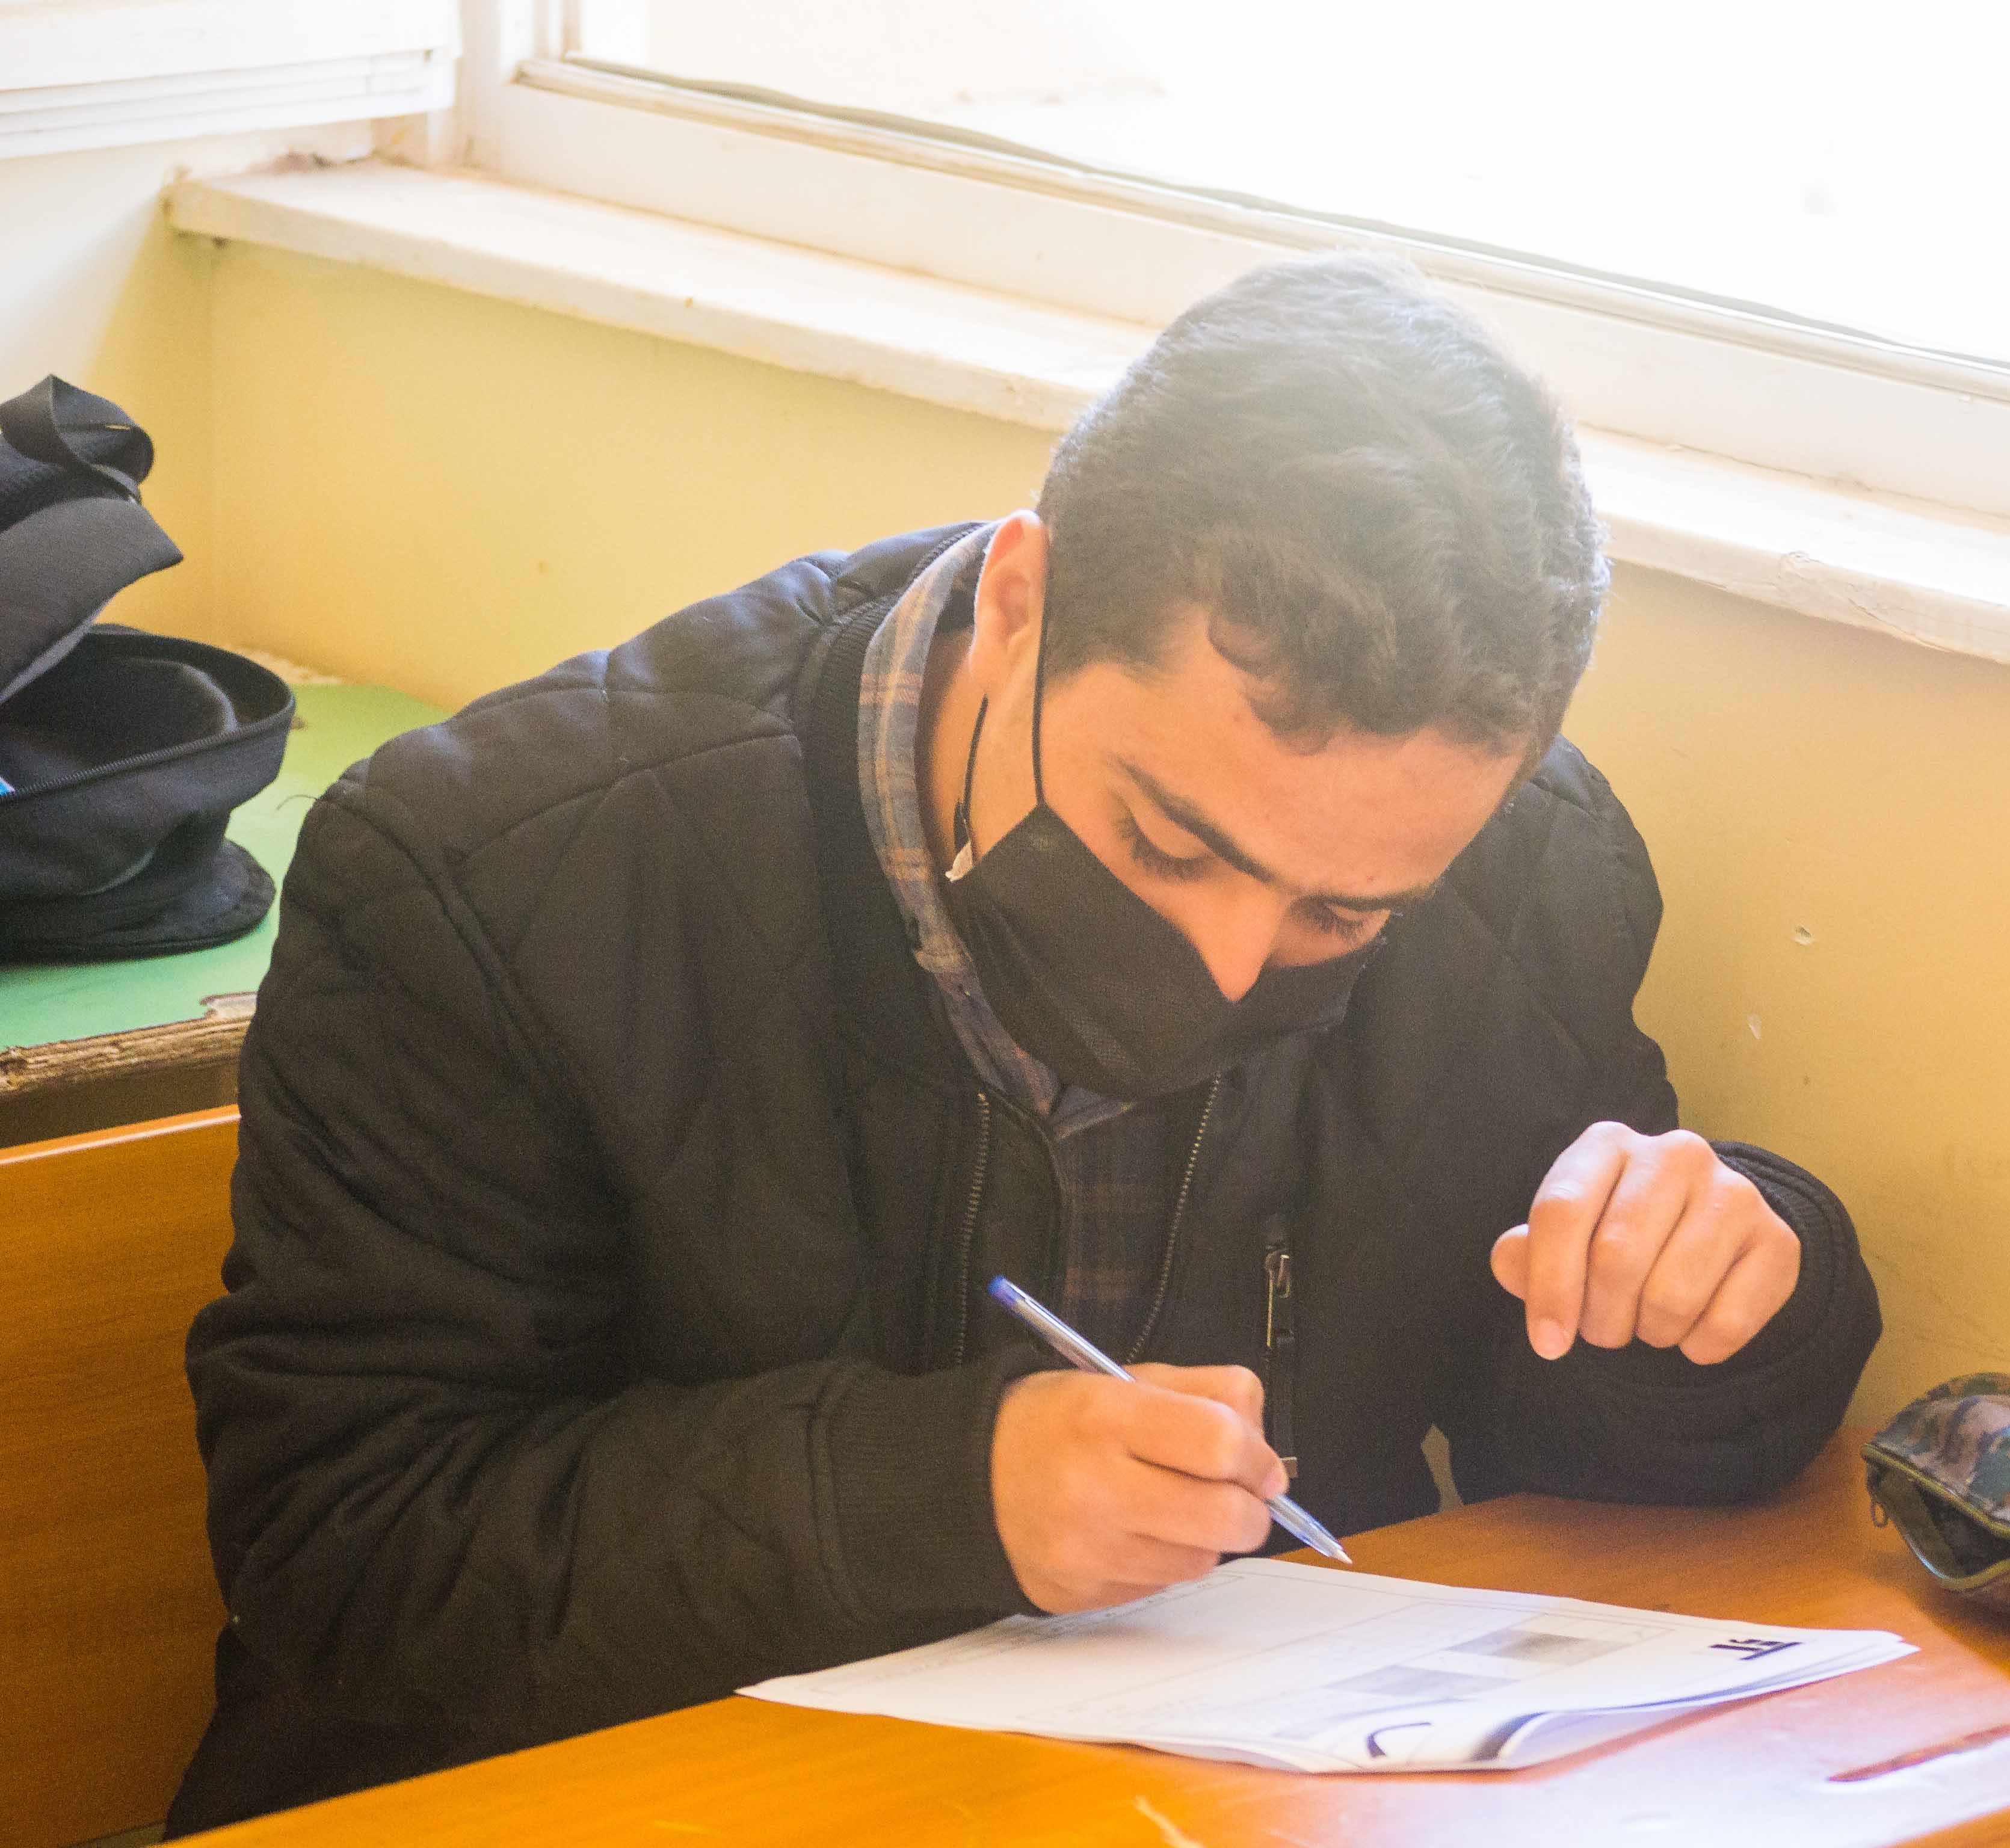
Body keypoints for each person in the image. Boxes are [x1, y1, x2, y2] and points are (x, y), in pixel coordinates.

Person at [165, 255, 1882, 1834]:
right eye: (1168, 840)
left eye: (1339, 914)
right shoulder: (496, 878)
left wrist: (1728, 1288)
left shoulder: (1517, 875)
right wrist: (941, 1498)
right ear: (1019, 600)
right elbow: (349, 1552)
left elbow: (1567, 1446)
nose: (1229, 966)